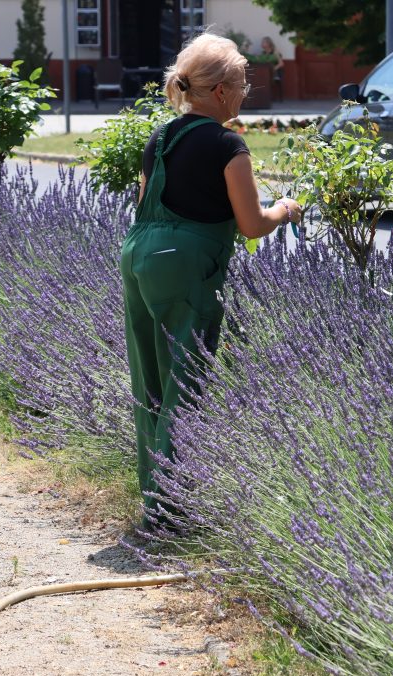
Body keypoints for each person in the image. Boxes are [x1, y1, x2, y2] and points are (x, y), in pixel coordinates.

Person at [121, 32, 301, 531]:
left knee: (150, 381)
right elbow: (251, 224)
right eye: (243, 84)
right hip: (185, 262)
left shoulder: (160, 138)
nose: (247, 93)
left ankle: (153, 499)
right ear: (220, 90)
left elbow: (145, 204)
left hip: (137, 255)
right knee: (186, 381)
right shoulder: (228, 144)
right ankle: (170, 511)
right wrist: (283, 210)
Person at [260, 36, 284, 101]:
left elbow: (281, 64)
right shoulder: (263, 53)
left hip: (275, 72)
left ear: (268, 43)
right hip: (266, 72)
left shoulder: (275, 52)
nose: (261, 43)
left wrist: (273, 69)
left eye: (263, 42)